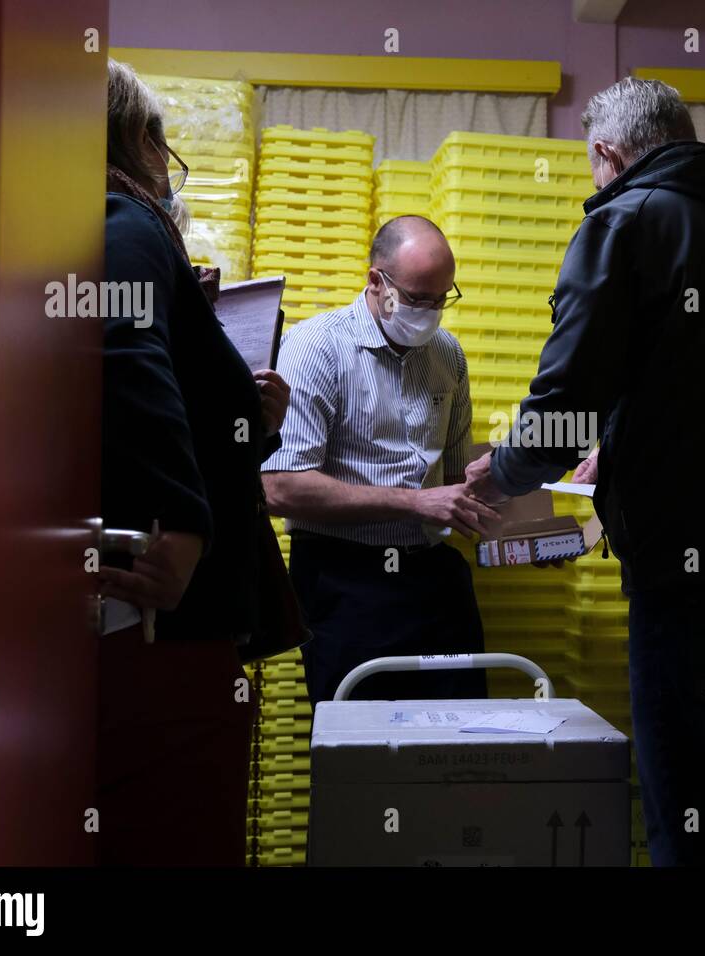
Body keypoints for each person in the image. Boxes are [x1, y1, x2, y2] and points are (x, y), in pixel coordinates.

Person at [465, 78, 705, 866]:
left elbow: (564, 406)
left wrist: (497, 473)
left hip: (694, 582)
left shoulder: (629, 221)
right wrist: (626, 447)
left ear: (607, 152)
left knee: (694, 829)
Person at [96, 60, 291, 866]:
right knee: (180, 826)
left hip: (162, 620)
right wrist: (180, 521)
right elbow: (123, 346)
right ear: (143, 141)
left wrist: (249, 420)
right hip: (170, 618)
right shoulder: (126, 222)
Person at [262, 216, 495, 705]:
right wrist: (414, 503)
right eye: (416, 298)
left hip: (433, 578)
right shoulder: (316, 349)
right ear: (376, 281)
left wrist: (516, 524)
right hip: (345, 580)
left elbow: (454, 482)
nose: (430, 312)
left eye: (441, 299)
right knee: (363, 756)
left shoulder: (447, 355)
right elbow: (279, 487)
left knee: (460, 745)